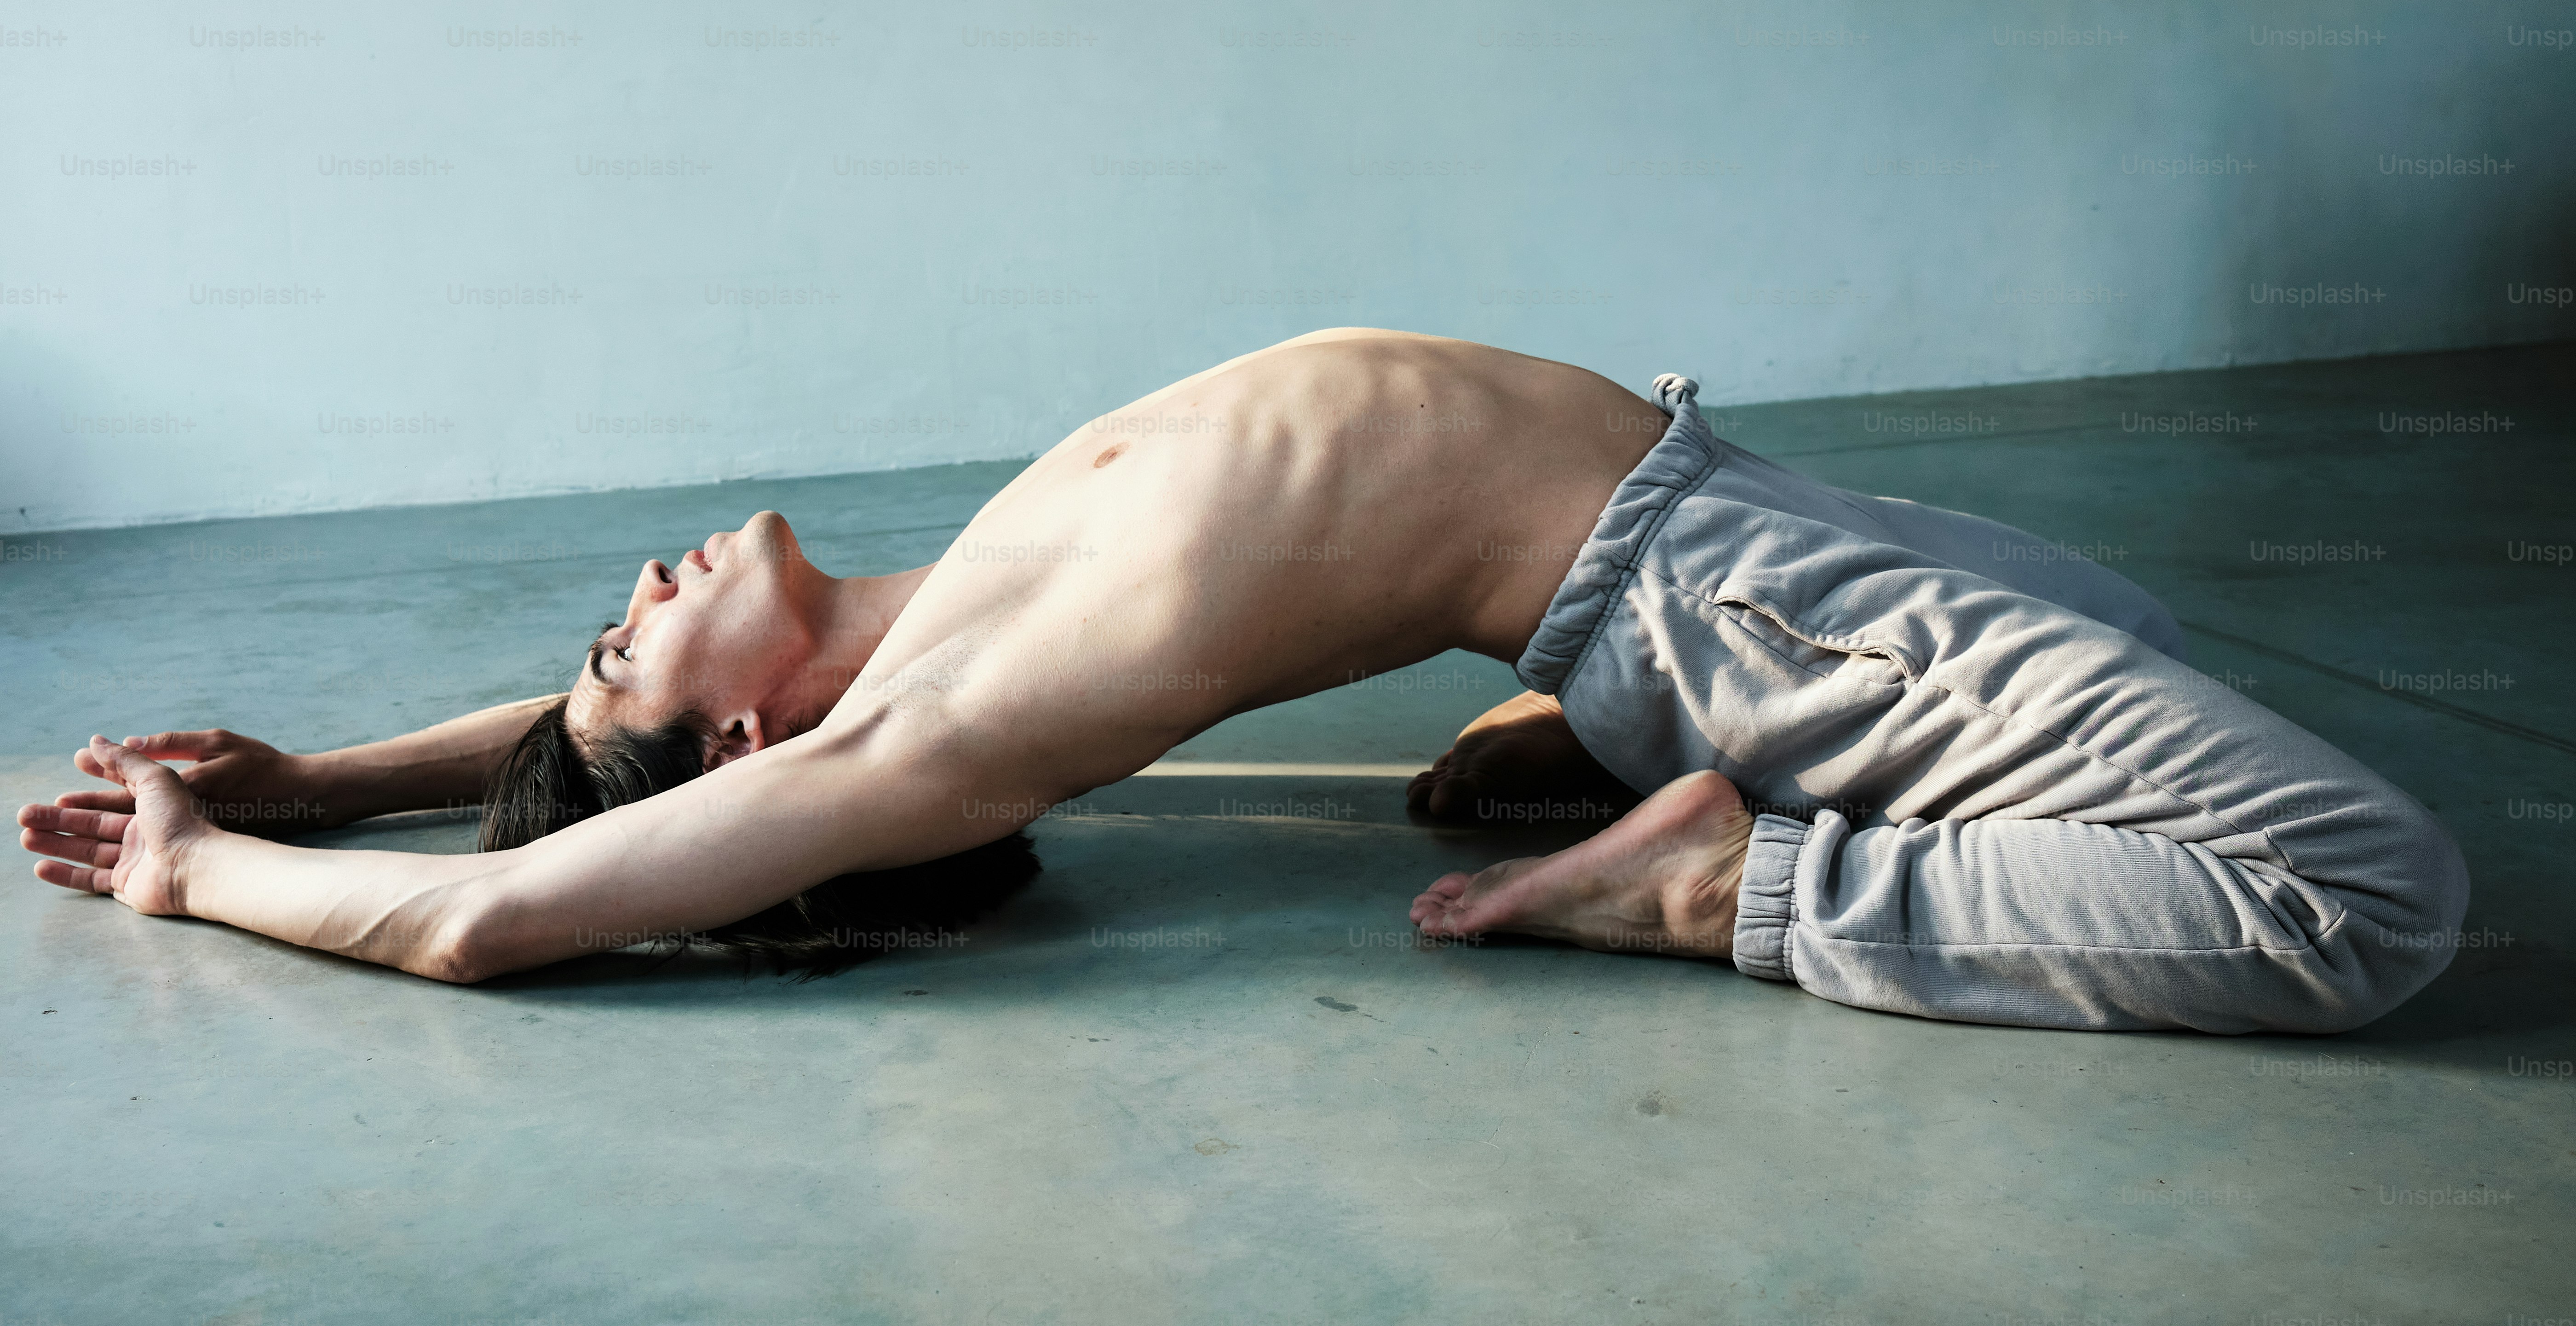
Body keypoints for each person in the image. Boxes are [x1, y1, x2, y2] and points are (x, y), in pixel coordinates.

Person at [18, 329, 2468, 1032]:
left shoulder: (902, 619)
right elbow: (500, 914)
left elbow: (557, 769)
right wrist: (208, 869)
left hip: (1731, 534)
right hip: (1721, 584)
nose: (632, 580)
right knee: (2363, 893)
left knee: (2122, 655)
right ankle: (1739, 873)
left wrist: (335, 763)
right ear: (753, 739)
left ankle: (1626, 732)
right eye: (623, 631)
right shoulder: (917, 730)